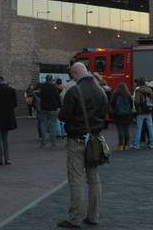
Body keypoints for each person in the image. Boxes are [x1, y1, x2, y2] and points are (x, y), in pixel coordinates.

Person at [56, 62, 107, 228]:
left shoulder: (74, 91)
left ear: (75, 74)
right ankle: (93, 215)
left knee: (76, 178)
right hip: (95, 140)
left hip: (77, 139)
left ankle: (75, 217)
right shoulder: (101, 91)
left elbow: (64, 116)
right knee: (94, 178)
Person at [131, 78, 153, 149]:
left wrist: (137, 109)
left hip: (140, 112)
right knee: (150, 128)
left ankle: (136, 144)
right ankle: (152, 143)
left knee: (138, 128)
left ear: (139, 83)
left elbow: (136, 102)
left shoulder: (138, 91)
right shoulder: (149, 90)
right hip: (148, 111)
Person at [39, 75, 62, 147]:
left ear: (46, 79)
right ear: (51, 79)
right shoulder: (54, 87)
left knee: (43, 125)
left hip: (43, 108)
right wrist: (59, 106)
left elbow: (40, 95)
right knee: (53, 125)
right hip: (53, 108)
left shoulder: (42, 86)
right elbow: (57, 96)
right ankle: (53, 143)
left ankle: (43, 143)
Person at [110, 82, 133, 150]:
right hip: (127, 115)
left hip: (118, 115)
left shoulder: (115, 95)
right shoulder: (128, 95)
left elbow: (112, 104)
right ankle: (126, 145)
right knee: (126, 130)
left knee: (120, 130)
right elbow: (131, 105)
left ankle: (120, 145)